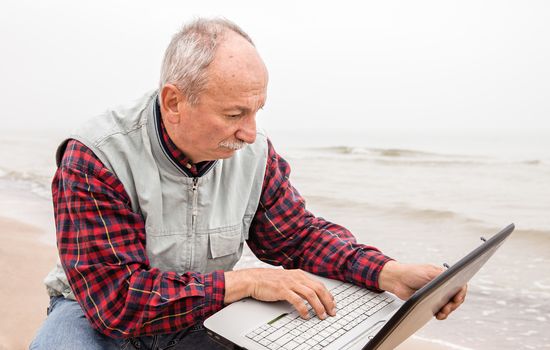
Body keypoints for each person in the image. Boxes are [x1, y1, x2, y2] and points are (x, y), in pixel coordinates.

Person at [30, 17, 467, 350]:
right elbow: (118, 301)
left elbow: (299, 237)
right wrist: (243, 283)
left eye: (257, 110)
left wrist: (387, 272)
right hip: (90, 311)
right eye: (235, 114)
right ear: (174, 101)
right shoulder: (95, 157)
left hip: (201, 308)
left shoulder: (254, 155)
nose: (251, 133)